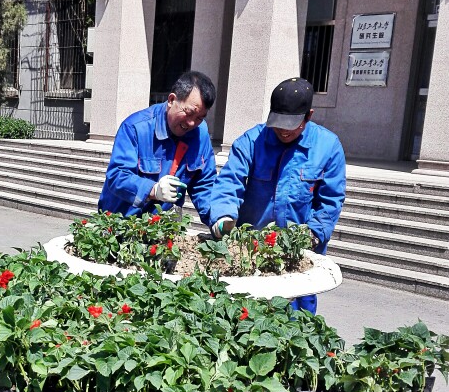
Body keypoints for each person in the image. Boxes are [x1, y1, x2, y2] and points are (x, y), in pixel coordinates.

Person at [209, 77, 346, 313]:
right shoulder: (252, 141)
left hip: (299, 256)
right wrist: (223, 217)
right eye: (278, 123)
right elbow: (229, 182)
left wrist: (311, 236)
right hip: (251, 252)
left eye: (291, 124)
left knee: (297, 325)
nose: (283, 130)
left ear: (308, 116)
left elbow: (330, 202)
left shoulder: (327, 147)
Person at [98, 71, 217, 225]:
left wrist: (218, 218)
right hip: (120, 226)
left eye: (200, 117)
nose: (192, 123)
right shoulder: (135, 127)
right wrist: (153, 190)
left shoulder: (200, 134)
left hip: (163, 229)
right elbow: (117, 176)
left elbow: (204, 184)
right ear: (172, 100)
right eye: (189, 113)